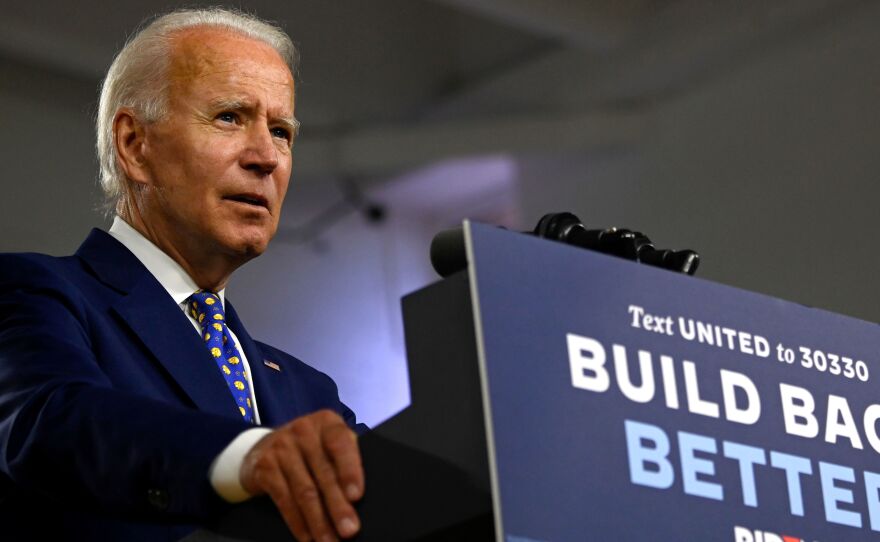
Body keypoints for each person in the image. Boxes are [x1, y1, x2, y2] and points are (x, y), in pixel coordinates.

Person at [0, 8, 367, 541]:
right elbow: (50, 425)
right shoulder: (36, 295)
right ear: (134, 145)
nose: (267, 156)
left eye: (282, 131)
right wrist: (247, 457)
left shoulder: (312, 394)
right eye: (229, 117)